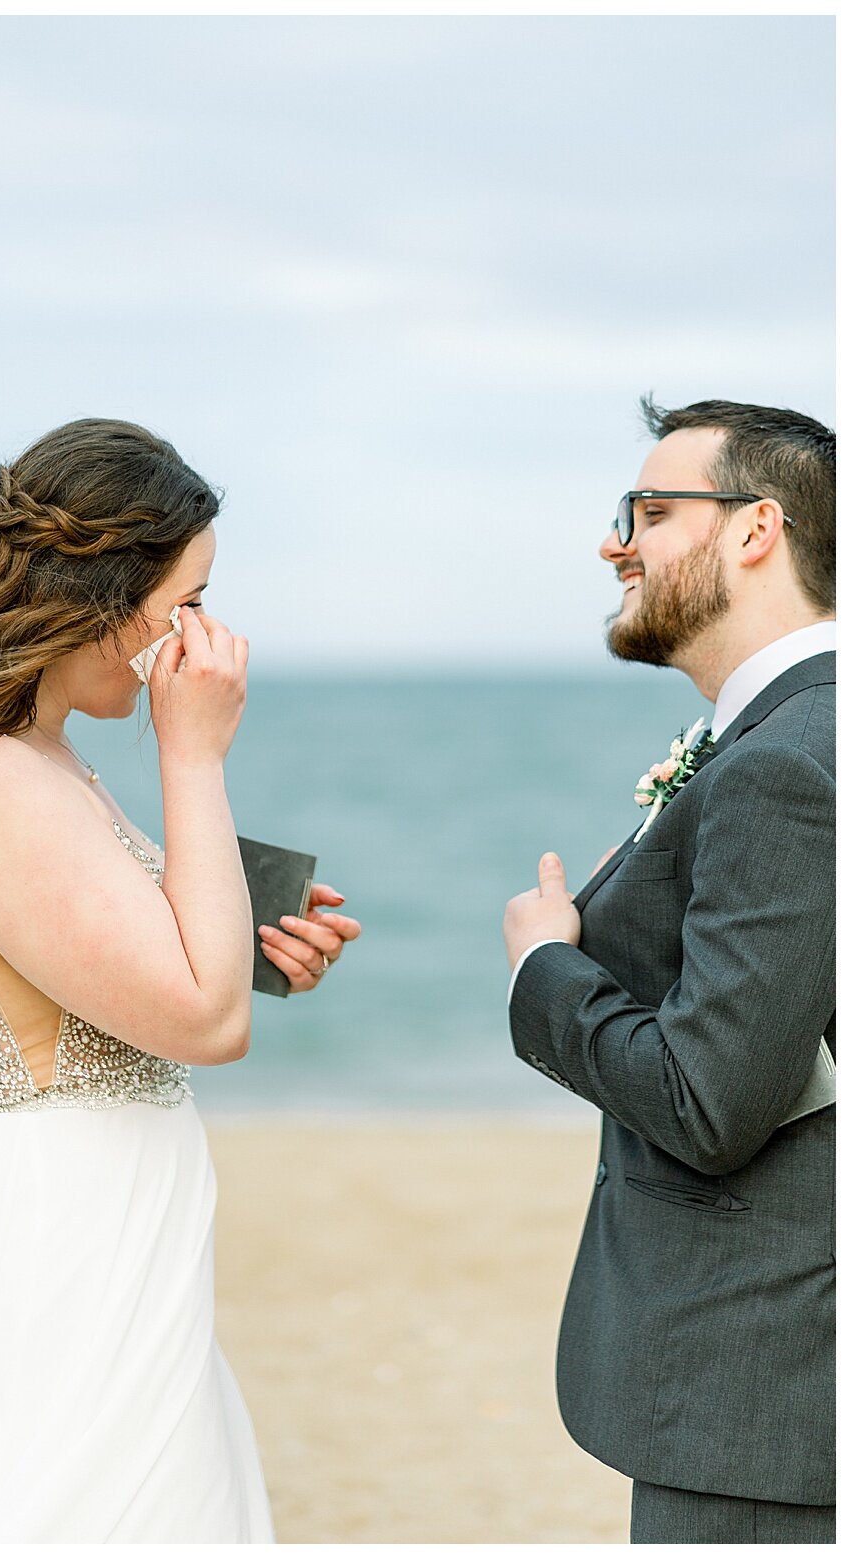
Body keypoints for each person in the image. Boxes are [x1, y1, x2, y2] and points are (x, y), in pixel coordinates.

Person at [0, 416, 361, 1542]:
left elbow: (134, 971)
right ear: (106, 597)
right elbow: (202, 1020)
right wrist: (193, 750)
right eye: (190, 597)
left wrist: (252, 935)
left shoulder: (36, 755)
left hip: (94, 1235)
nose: (204, 631)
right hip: (47, 1247)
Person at [503, 397, 835, 1544]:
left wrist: (546, 966)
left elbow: (710, 1101)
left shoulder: (788, 762)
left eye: (649, 509)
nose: (616, 543)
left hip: (772, 1391)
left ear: (757, 530)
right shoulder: (788, 735)